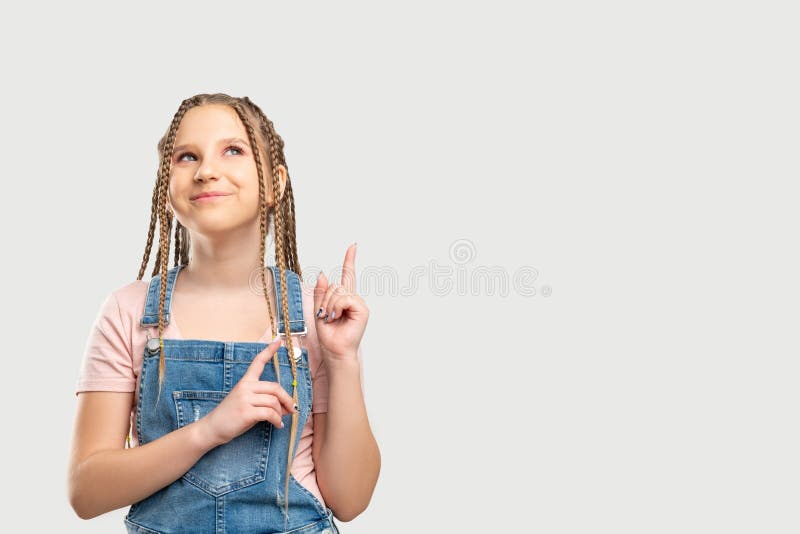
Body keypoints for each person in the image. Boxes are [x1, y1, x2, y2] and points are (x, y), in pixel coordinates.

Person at [67, 93, 381, 533]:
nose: (206, 170)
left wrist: (343, 359)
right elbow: (86, 490)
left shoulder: (316, 317)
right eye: (186, 156)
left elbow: (349, 499)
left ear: (275, 184)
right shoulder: (130, 311)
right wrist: (208, 430)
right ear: (166, 186)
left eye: (232, 150)